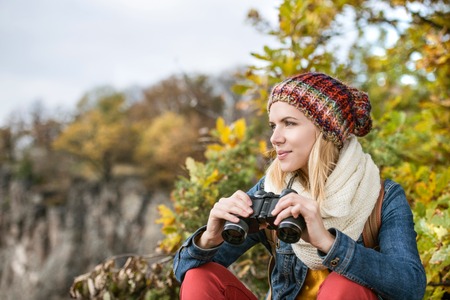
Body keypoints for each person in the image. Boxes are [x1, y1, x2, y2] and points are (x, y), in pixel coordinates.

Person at [172, 72, 426, 299]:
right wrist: (208, 239)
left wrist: (328, 243)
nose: (275, 138)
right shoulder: (271, 188)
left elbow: (410, 286)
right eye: (273, 126)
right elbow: (184, 272)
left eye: (289, 123)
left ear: (326, 130)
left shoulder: (382, 197)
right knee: (199, 276)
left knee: (345, 284)